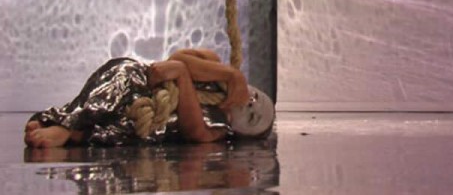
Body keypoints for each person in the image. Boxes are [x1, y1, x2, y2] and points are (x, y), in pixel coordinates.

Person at [24, 48, 275, 147]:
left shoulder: (219, 128)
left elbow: (197, 133)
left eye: (252, 116)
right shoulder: (214, 66)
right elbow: (178, 59)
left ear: (240, 132)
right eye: (256, 97)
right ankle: (67, 124)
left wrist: (182, 77)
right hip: (138, 84)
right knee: (121, 77)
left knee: (131, 130)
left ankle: (70, 130)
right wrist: (230, 74)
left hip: (146, 119)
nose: (249, 103)